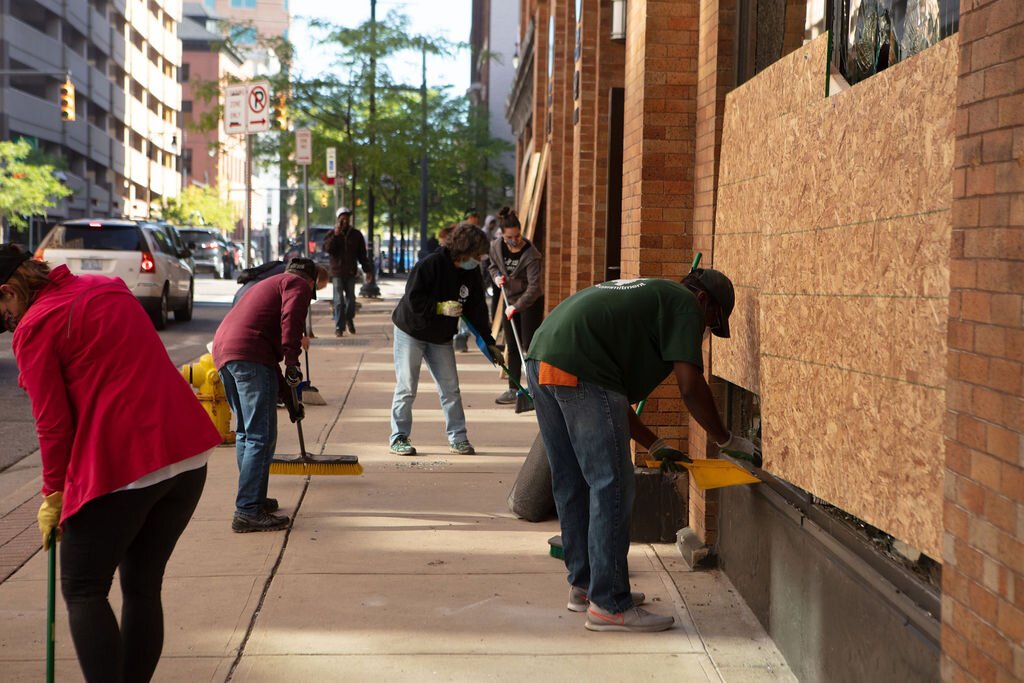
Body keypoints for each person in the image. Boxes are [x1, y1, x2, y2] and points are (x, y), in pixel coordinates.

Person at [1, 243, 221, 682]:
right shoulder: (106, 287)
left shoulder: (35, 325)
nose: (7, 327)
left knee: (83, 588)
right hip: (186, 456)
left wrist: (53, 493)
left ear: (9, 291)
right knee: (142, 587)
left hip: (126, 468)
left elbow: (53, 424)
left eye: (2, 314)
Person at [524, 268, 760, 632]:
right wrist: (726, 438)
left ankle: (586, 587)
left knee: (572, 480)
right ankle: (610, 604)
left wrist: (657, 443)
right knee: (612, 484)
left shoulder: (649, 300)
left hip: (545, 356)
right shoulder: (685, 304)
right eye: (710, 324)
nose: (703, 332)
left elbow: (609, 405)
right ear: (703, 301)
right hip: (581, 364)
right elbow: (690, 386)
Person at [213, 258, 325, 533]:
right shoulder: (297, 284)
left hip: (226, 354)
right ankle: (248, 510)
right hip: (249, 356)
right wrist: (293, 361)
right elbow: (292, 322)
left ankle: (254, 500)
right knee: (260, 436)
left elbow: (269, 365)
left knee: (246, 433)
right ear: (310, 282)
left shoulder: (270, 284)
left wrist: (290, 400)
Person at [389, 223, 500, 456]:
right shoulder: (430, 265)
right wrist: (438, 307)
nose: (479, 259)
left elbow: (476, 308)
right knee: (407, 387)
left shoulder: (471, 273)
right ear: (463, 250)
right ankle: (399, 436)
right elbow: (413, 300)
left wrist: (488, 341)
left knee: (450, 389)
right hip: (412, 331)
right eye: (476, 253)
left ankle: (458, 437)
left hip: (440, 337)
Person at [488, 207, 543, 406]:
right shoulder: (496, 247)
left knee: (529, 347)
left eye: (518, 235)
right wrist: (496, 278)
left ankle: (535, 389)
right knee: (512, 346)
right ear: (503, 235)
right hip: (509, 299)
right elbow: (492, 266)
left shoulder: (531, 254)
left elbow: (535, 287)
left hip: (529, 302)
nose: (515, 240)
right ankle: (513, 389)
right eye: (510, 236)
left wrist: (516, 307)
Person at [324, 207, 373, 337]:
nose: (345, 220)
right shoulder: (332, 234)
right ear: (338, 218)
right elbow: (328, 249)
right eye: (342, 217)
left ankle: (349, 319)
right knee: (339, 300)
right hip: (337, 273)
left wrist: (367, 270)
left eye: (347, 217)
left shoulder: (356, 234)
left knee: (351, 300)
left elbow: (362, 255)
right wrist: (336, 234)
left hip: (351, 272)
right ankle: (339, 327)